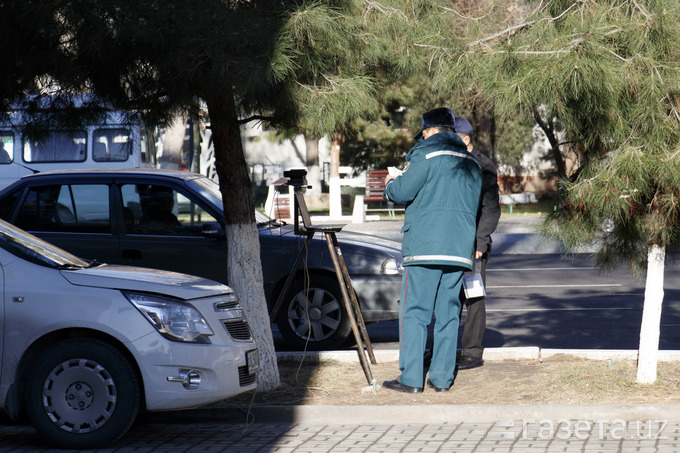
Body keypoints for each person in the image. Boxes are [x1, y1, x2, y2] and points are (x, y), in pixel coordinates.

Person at [381, 107, 482, 393]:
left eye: (423, 132)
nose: (422, 136)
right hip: (459, 248)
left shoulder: (424, 154)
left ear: (429, 130)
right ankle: (442, 379)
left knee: (414, 313)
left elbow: (401, 193)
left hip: (425, 246)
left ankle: (411, 379)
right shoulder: (471, 161)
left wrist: (390, 183)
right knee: (449, 315)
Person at [454, 116, 501, 370]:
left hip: (474, 246)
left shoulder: (483, 166)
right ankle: (447, 349)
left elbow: (491, 209)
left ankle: (472, 352)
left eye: (453, 138)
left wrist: (480, 243)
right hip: (454, 243)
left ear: (466, 138)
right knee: (450, 298)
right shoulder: (456, 162)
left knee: (473, 299)